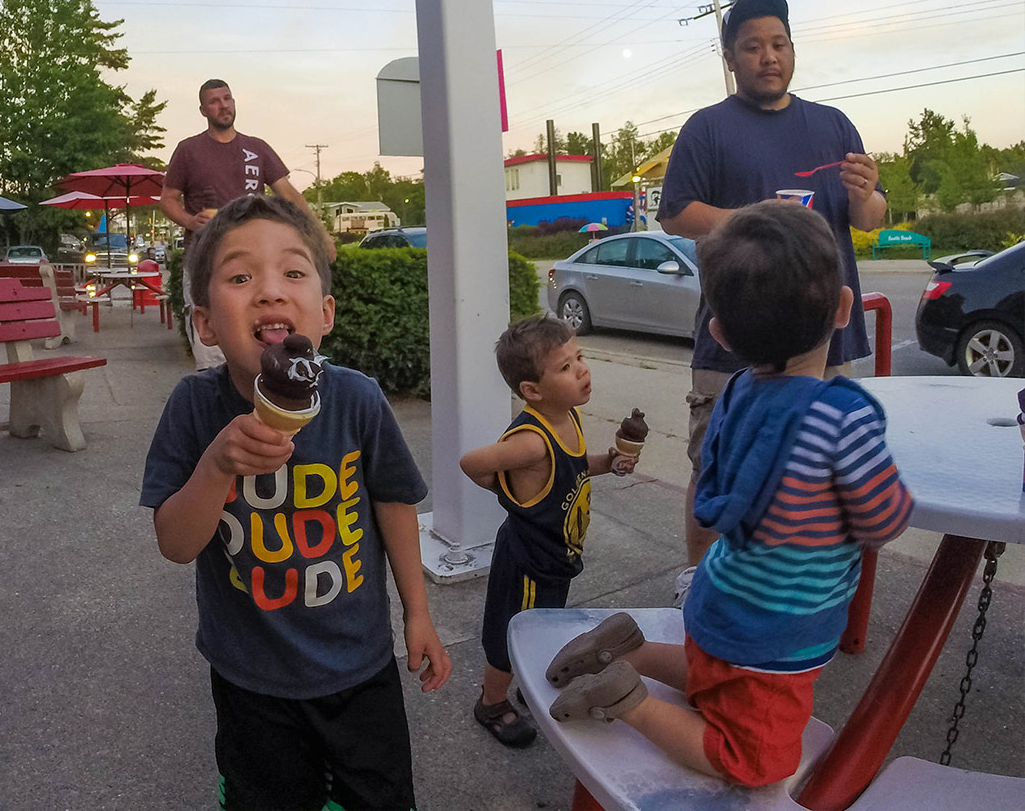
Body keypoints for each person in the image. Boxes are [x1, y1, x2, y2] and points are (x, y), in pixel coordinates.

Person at [544, 202, 912, 787]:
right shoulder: (844, 420)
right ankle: (626, 699)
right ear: (845, 309)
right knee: (759, 761)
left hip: (719, 594)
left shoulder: (736, 394)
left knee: (715, 669)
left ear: (719, 332)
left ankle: (629, 651)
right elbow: (884, 520)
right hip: (778, 629)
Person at [140, 194, 451, 810]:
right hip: (250, 676)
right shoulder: (195, 409)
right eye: (239, 276)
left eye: (293, 272)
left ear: (325, 312)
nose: (269, 292)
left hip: (359, 666)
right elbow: (176, 544)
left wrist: (418, 611)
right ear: (204, 323)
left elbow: (393, 503)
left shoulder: (357, 400)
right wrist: (217, 465)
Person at [657, 0, 888, 603]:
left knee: (820, 473)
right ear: (731, 57)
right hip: (734, 337)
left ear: (792, 49)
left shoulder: (833, 124)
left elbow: (869, 218)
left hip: (824, 340)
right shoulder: (708, 129)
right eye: (753, 46)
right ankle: (699, 583)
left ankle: (806, 591)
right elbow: (675, 214)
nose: (769, 57)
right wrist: (756, 219)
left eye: (779, 44)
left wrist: (867, 195)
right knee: (716, 464)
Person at [461, 315, 638, 748]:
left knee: (544, 626)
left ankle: (530, 678)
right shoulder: (532, 441)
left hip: (557, 558)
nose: (581, 369)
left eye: (579, 357)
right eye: (564, 367)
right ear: (532, 391)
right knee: (509, 632)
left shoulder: (568, 419)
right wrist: (510, 494)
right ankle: (492, 701)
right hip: (525, 560)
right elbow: (471, 463)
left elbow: (575, 467)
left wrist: (607, 463)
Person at [160, 79, 321, 371]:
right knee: (211, 344)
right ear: (203, 110)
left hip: (256, 263)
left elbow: (289, 193)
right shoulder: (189, 150)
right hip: (204, 261)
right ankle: (215, 406)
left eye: (227, 98)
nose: (223, 105)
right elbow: (168, 200)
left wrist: (319, 236)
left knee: (258, 341)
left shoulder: (256, 148)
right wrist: (190, 221)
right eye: (214, 101)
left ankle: (265, 403)